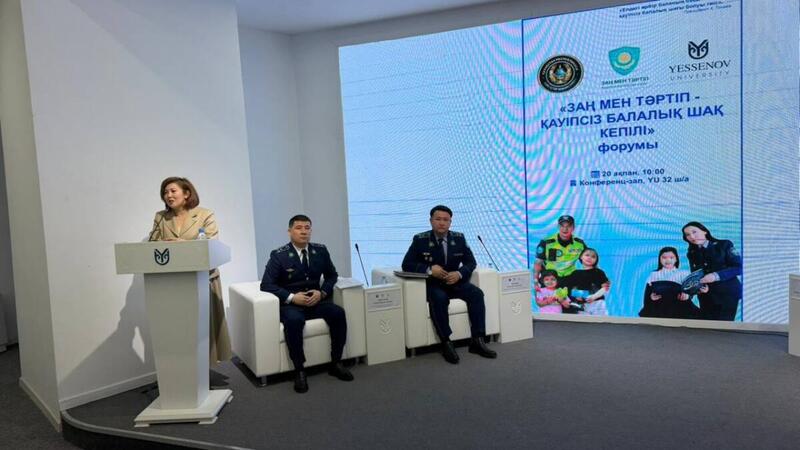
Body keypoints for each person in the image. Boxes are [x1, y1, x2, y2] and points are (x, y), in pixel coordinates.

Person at [260, 214, 353, 393]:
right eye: (298, 228)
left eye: (307, 228)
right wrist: (291, 297)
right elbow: (267, 284)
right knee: (294, 321)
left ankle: (336, 362)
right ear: (289, 231)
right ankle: (299, 370)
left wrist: (322, 292)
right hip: (292, 305)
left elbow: (332, 276)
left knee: (338, 313)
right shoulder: (279, 255)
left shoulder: (320, 250)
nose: (304, 232)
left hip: (316, 301)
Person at [148, 176, 232, 364]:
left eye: (173, 191)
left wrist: (182, 244)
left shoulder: (204, 215)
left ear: (186, 193)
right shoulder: (161, 217)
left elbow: (211, 244)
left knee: (202, 329)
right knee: (178, 329)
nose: (168, 195)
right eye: (165, 192)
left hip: (203, 278)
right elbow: (153, 245)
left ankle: (203, 367)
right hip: (172, 282)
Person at [401, 205, 497, 364]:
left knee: (476, 294)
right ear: (431, 221)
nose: (442, 223)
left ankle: (478, 340)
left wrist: (459, 274)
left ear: (450, 222)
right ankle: (446, 342)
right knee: (439, 298)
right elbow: (407, 264)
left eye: (446, 220)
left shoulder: (459, 238)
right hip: (433, 284)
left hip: (454, 281)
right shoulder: (420, 240)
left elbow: (471, 262)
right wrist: (429, 269)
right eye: (438, 219)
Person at [682, 222, 742, 321]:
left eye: (694, 232)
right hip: (706, 296)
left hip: (726, 295)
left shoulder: (724, 245)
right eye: (687, 234)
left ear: (705, 231)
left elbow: (739, 267)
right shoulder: (692, 252)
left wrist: (716, 275)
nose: (691, 236)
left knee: (722, 327)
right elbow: (696, 275)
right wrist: (698, 289)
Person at [639, 247, 701, 319]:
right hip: (658, 309)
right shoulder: (653, 274)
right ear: (659, 259)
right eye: (664, 258)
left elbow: (692, 292)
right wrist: (651, 298)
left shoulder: (684, 273)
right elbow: (647, 296)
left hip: (680, 309)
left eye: (671, 257)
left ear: (676, 259)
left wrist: (687, 296)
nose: (668, 260)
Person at [533, 215, 587, 284]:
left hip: (570, 278)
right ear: (558, 227)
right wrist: (535, 280)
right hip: (550, 279)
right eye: (562, 226)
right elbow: (538, 263)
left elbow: (589, 262)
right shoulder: (546, 242)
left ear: (573, 228)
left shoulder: (579, 244)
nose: (565, 229)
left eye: (568, 226)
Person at [561, 248, 611, 316]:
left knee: (601, 322)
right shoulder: (575, 273)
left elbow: (605, 288)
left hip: (598, 303)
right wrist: (577, 296)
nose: (589, 258)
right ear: (581, 257)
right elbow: (568, 289)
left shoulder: (599, 272)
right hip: (582, 306)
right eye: (587, 255)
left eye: (593, 256)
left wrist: (594, 297)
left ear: (596, 260)